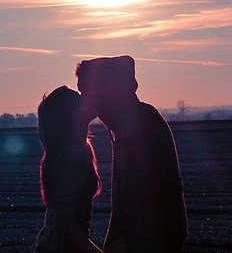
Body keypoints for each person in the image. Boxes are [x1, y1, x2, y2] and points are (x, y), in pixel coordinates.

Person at [75, 55, 187, 252]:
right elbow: (123, 204)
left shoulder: (140, 125)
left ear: (105, 90)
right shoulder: (129, 122)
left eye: (85, 90)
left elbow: (141, 199)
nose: (83, 99)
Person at [34, 86, 125, 253]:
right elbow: (64, 219)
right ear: (69, 115)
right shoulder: (73, 155)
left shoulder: (79, 148)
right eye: (78, 101)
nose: (86, 98)